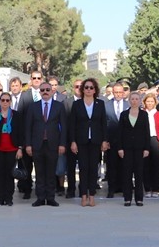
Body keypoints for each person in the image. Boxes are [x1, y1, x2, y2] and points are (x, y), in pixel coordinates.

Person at [68, 78, 108, 207]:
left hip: (96, 141)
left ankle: (92, 196)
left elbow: (103, 124)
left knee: (93, 169)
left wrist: (104, 141)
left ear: (95, 90)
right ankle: (83, 195)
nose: (89, 90)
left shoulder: (100, 104)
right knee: (83, 168)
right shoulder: (77, 104)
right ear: (82, 89)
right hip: (81, 141)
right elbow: (72, 125)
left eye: (91, 87)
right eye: (86, 87)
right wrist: (73, 141)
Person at [24, 83, 65, 207]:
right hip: (37, 144)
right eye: (43, 90)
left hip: (53, 144)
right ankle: (40, 198)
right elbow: (28, 127)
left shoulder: (59, 106)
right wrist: (28, 145)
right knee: (39, 172)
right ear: (39, 92)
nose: (45, 92)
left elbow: (64, 127)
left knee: (51, 172)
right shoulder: (33, 107)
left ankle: (50, 198)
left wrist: (62, 144)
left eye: (48, 90)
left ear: (52, 91)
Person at [116, 91, 150, 207]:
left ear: (140, 101)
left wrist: (147, 148)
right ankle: (127, 198)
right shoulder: (124, 114)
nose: (134, 101)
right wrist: (120, 148)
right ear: (129, 100)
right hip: (126, 148)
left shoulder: (144, 115)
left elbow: (147, 132)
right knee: (127, 174)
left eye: (136, 99)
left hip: (140, 148)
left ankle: (139, 198)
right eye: (132, 99)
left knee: (139, 174)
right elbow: (119, 132)